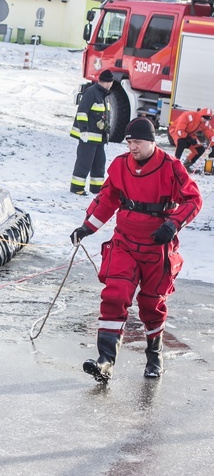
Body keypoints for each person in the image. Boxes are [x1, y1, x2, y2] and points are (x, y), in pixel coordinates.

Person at [70, 117, 202, 383]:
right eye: (129, 142)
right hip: (125, 243)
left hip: (157, 248)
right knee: (114, 294)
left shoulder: (171, 167)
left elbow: (193, 199)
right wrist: (87, 227)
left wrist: (173, 224)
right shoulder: (120, 166)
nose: (132, 147)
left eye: (138, 142)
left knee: (152, 304)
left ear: (151, 142)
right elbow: (108, 198)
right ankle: (105, 360)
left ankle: (155, 356)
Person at [69, 69, 114, 195]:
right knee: (84, 162)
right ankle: (77, 188)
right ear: (108, 82)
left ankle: (97, 189)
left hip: (99, 138)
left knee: (99, 164)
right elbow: (82, 112)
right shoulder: (91, 93)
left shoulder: (104, 95)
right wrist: (83, 131)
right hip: (88, 137)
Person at [167, 107, 214, 171]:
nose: (206, 120)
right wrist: (191, 139)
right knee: (181, 143)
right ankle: (173, 166)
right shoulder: (188, 116)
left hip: (190, 134)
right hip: (176, 131)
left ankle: (186, 166)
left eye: (208, 119)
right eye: (205, 118)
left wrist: (213, 146)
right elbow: (179, 131)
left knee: (200, 150)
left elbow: (210, 133)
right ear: (201, 115)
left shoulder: (205, 122)